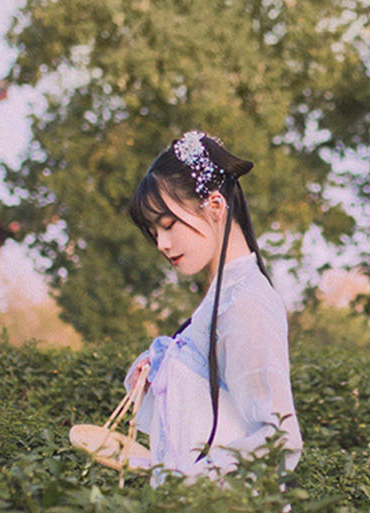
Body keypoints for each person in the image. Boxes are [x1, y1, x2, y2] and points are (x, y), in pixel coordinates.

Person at [122, 129, 301, 484]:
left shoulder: (245, 303)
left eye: (168, 224)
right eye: (154, 232)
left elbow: (279, 437)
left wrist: (191, 482)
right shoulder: (221, 300)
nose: (161, 243)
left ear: (216, 206)